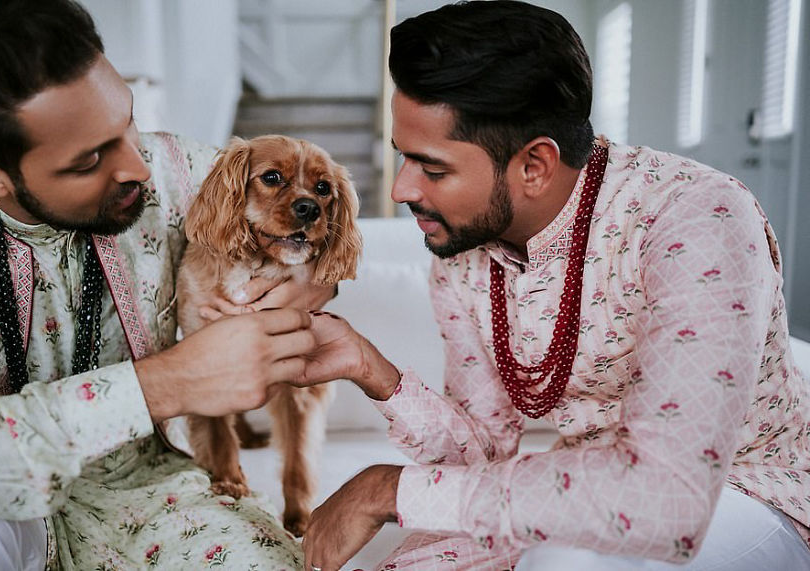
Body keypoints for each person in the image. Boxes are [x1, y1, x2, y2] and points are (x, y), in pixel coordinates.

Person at [293, 2, 810, 570]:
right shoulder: (464, 254)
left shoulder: (696, 215)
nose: (401, 190)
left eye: (433, 169)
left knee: (566, 563)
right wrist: (370, 369)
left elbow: (666, 499)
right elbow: (481, 457)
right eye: (403, 159)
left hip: (743, 491)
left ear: (535, 165)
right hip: (579, 491)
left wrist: (389, 489)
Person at [0, 0, 332, 568]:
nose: (138, 167)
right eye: (89, 160)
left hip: (156, 492)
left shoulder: (177, 170)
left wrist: (308, 281)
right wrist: (163, 385)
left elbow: (315, 211)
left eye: (128, 122)